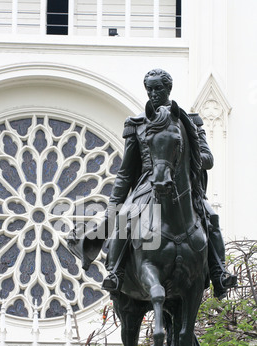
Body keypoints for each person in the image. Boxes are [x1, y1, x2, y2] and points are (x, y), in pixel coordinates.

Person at [101, 68, 237, 299]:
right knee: (125, 218)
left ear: (168, 89)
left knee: (211, 217)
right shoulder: (137, 125)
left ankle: (219, 273)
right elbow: (125, 172)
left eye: (158, 89)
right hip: (147, 186)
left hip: (183, 187)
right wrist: (113, 206)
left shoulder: (190, 122)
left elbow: (208, 159)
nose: (153, 93)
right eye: (149, 89)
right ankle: (115, 272)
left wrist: (186, 156)